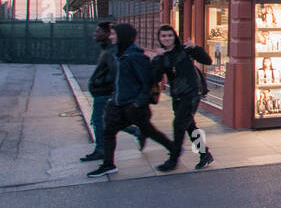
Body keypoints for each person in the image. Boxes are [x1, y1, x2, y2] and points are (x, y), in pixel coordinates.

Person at [86, 23, 178, 177]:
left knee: (150, 131)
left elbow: (147, 82)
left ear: (122, 36)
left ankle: (173, 149)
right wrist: (114, 99)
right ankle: (108, 164)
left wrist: (138, 103)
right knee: (109, 132)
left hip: (133, 107)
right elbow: (120, 81)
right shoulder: (120, 54)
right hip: (119, 104)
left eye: (113, 34)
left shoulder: (135, 56)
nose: (111, 36)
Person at [152, 25, 215, 172]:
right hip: (178, 94)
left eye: (169, 35)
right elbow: (155, 77)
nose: (167, 38)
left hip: (192, 93)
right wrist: (159, 59)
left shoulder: (185, 50)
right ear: (160, 39)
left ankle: (173, 160)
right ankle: (205, 154)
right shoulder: (162, 56)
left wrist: (195, 48)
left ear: (174, 36)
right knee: (189, 125)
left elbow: (208, 60)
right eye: (163, 36)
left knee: (179, 125)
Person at [82, 22, 141, 161]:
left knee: (99, 121)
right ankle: (137, 131)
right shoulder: (108, 48)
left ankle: (101, 150)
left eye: (98, 31)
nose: (95, 34)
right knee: (108, 121)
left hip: (105, 92)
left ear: (107, 34)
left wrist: (112, 92)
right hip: (103, 91)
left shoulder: (112, 50)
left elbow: (117, 73)